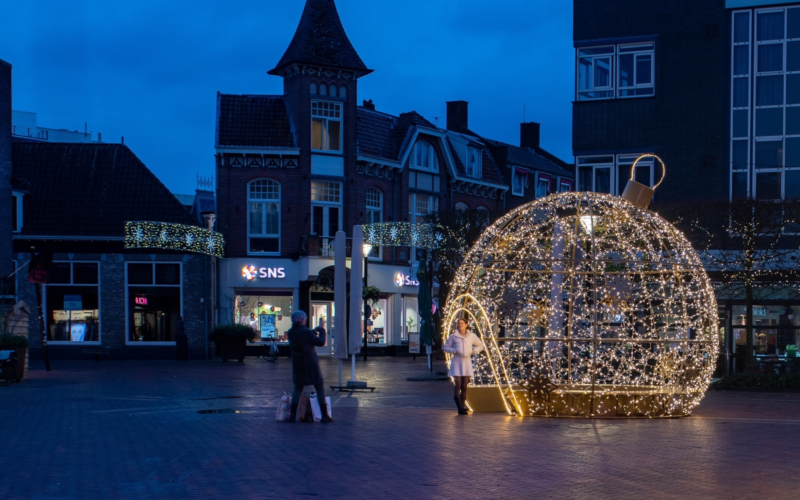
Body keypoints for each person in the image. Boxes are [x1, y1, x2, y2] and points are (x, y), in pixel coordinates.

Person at [287, 311, 333, 423]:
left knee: (298, 388)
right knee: (319, 385)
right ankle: (325, 415)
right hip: (310, 363)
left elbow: (303, 336)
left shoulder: (290, 332)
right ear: (303, 320)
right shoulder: (306, 333)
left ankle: (292, 415)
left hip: (297, 364)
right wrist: (322, 329)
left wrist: (312, 331)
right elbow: (321, 342)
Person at [442, 317, 485, 415]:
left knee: (464, 386)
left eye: (462, 323)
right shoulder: (454, 336)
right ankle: (459, 407)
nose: (460, 325)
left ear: (466, 324)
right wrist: (454, 350)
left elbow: (480, 345)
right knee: (458, 384)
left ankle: (463, 405)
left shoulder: (471, 335)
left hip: (466, 361)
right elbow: (446, 347)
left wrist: (474, 351)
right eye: (459, 323)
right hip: (457, 361)